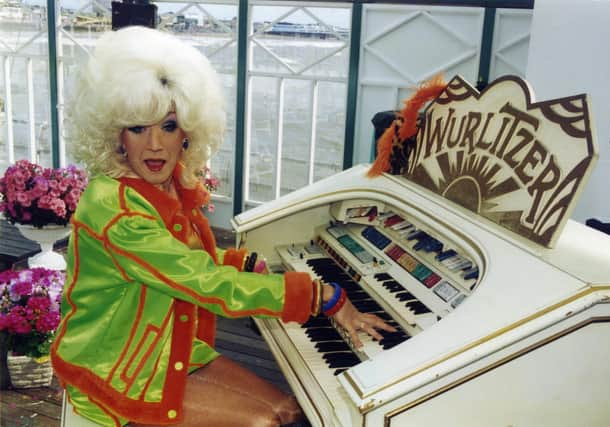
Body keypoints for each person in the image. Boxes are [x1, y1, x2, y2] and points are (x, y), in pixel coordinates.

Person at [51, 26, 394, 427]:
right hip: (112, 367)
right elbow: (197, 279)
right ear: (116, 136)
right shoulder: (115, 209)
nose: (156, 145)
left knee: (288, 410)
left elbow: (177, 259)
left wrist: (237, 261)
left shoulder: (164, 187)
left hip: (162, 344)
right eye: (138, 128)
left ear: (188, 133)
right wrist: (321, 296)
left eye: (169, 125)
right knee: (263, 422)